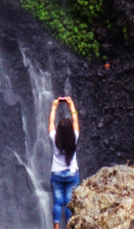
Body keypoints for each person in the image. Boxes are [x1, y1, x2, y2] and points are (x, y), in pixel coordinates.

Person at [48, 95, 80, 229]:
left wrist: (54, 107)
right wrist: (71, 105)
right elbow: (76, 121)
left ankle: (56, 227)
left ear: (58, 131)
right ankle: (68, 226)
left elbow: (50, 123)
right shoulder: (75, 137)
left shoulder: (54, 138)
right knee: (69, 202)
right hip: (72, 174)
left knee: (57, 203)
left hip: (56, 174)